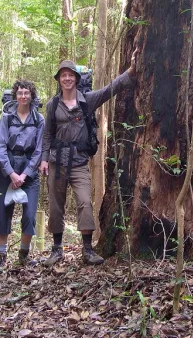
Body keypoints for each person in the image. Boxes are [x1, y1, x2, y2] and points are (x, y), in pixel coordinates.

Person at [40, 50, 138, 267]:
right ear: (59, 79)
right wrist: (44, 159)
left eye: (70, 75)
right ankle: (56, 250)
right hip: (57, 162)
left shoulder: (87, 100)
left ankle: (87, 249)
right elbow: (47, 134)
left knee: (84, 202)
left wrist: (130, 70)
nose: (67, 78)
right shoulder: (52, 105)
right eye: (63, 75)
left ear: (76, 78)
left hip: (79, 162)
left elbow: (109, 90)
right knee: (56, 205)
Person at [0, 80, 45, 268]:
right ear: (15, 95)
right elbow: (0, 146)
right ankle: (1, 256)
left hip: (29, 171)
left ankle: (23, 254)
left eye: (26, 93)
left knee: (30, 215)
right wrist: (10, 173)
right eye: (20, 93)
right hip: (7, 169)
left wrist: (25, 174)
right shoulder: (7, 118)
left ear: (32, 95)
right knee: (3, 213)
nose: (23, 96)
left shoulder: (39, 119)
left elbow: (39, 150)